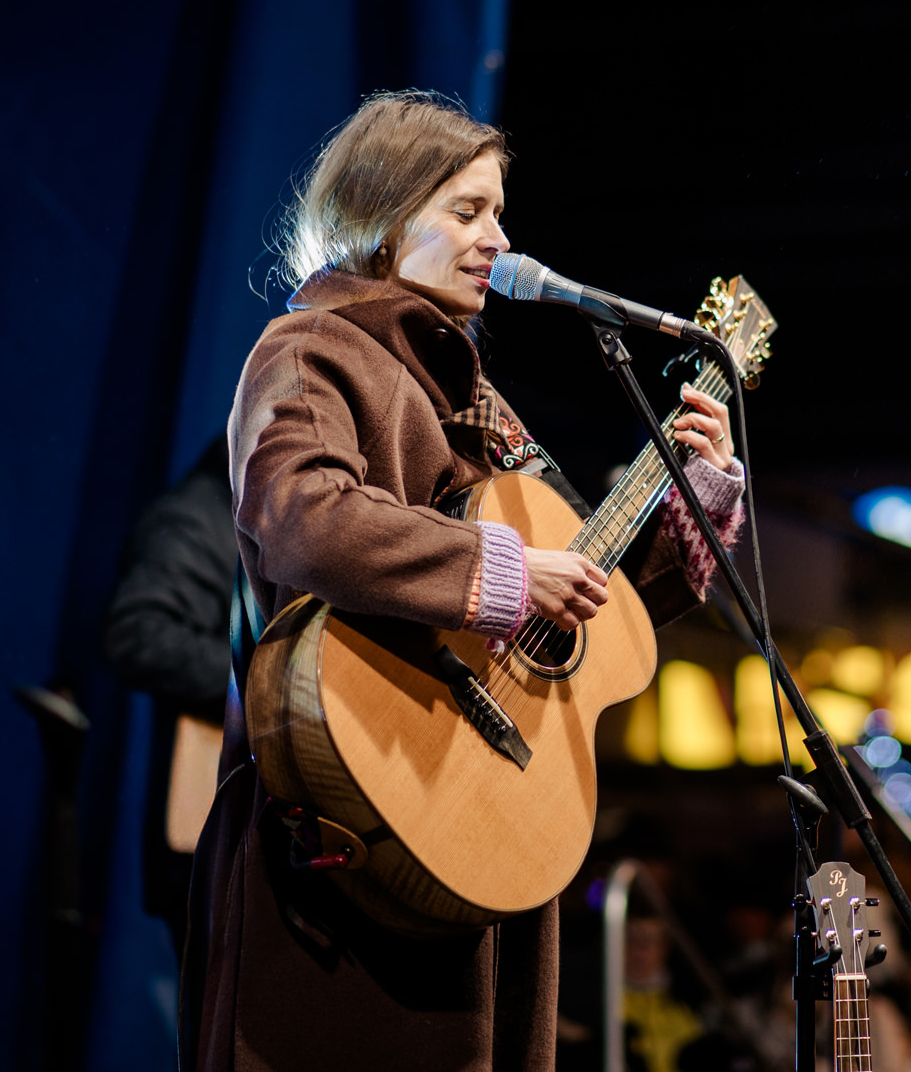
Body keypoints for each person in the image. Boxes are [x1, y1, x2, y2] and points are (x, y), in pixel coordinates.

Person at [179, 92, 747, 1071]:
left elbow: (587, 619)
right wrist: (505, 570)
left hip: (470, 823)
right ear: (384, 215)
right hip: (354, 824)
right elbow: (304, 518)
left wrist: (697, 494)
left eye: (500, 213)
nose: (500, 238)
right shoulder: (311, 348)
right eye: (468, 210)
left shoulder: (475, 400)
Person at [100, 435, 235, 954]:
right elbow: (136, 633)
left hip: (241, 843)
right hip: (212, 846)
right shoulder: (201, 515)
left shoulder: (258, 516)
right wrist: (276, 681)